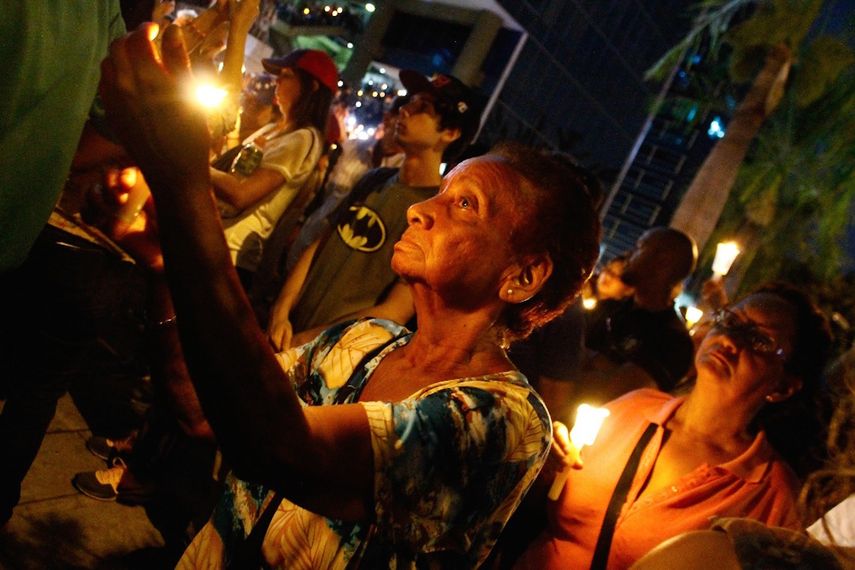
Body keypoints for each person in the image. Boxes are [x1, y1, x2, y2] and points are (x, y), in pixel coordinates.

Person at [98, 24, 601, 566]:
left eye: (465, 206)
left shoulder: (503, 421)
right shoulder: (363, 340)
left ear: (523, 277)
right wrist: (164, 270)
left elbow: (279, 447)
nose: (421, 209)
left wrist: (185, 186)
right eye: (443, 193)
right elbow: (202, 412)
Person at [516, 284, 832, 569]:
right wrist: (549, 460)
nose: (730, 339)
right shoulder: (634, 408)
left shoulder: (773, 502)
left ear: (784, 387)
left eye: (760, 340)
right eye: (730, 321)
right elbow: (547, 492)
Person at [266, 70, 481, 349]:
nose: (405, 110)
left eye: (422, 108)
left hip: (330, 356)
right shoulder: (374, 180)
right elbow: (320, 243)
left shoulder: (436, 215)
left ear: (450, 133)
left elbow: (393, 311)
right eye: (410, 102)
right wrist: (281, 311)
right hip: (286, 332)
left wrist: (307, 342)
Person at [211, 48, 336, 281]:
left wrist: (193, 162)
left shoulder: (302, 139)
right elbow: (235, 172)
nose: (276, 81)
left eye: (286, 75)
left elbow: (241, 193)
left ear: (312, 87)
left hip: (230, 252)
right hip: (214, 234)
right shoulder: (274, 129)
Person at [579, 227, 698, 405]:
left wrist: (580, 357)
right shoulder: (612, 307)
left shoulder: (672, 342)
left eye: (639, 247)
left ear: (663, 263)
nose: (628, 254)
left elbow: (612, 392)